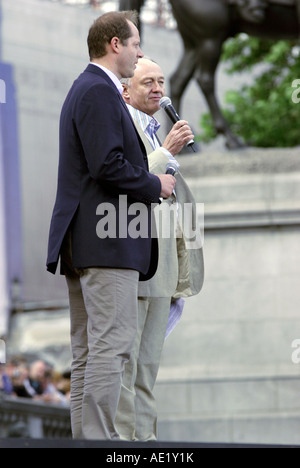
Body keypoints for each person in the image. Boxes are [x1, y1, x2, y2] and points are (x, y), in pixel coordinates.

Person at [46, 11, 176, 441]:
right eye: (136, 43)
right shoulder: (99, 91)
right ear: (115, 44)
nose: (139, 52)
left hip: (87, 241)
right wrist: (155, 183)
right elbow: (109, 166)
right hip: (107, 240)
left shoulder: (88, 88)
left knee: (88, 350)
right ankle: (101, 443)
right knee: (112, 345)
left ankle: (90, 440)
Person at [116, 57, 205, 441]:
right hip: (136, 265)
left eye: (161, 81)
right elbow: (127, 182)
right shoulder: (122, 124)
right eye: (146, 82)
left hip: (163, 266)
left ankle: (147, 444)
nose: (157, 88)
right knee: (126, 367)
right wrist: (166, 151)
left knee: (148, 369)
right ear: (126, 90)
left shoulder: (153, 129)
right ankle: (122, 444)